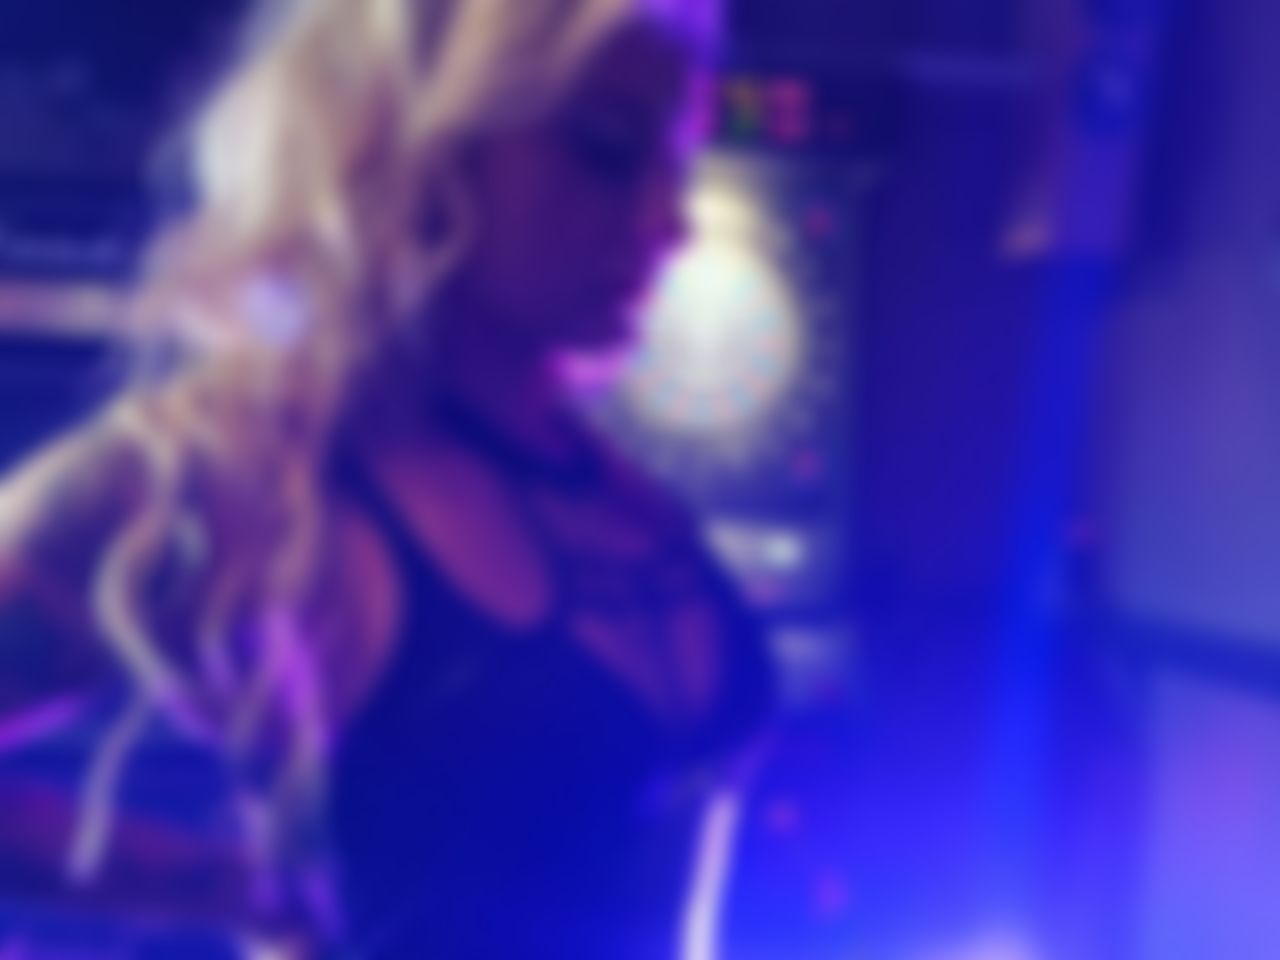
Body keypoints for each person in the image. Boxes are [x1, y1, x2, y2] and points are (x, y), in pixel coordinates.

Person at [0, 0, 776, 955]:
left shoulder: (619, 497)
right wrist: (232, 887)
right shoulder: (239, 470)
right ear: (422, 139)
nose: (670, 224)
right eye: (606, 150)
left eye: (678, 164)